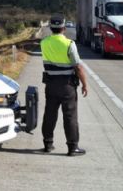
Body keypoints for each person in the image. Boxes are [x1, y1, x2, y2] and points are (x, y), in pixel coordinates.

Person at [40, 15, 88, 156]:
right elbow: (78, 67)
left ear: (50, 28)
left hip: (50, 84)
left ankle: (48, 144)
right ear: (64, 28)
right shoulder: (69, 44)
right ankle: (73, 147)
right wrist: (85, 84)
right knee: (70, 116)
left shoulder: (44, 43)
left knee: (49, 114)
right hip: (67, 86)